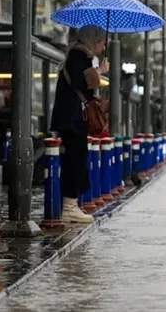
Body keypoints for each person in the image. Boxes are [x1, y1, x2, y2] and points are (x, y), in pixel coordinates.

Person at [50, 25, 109, 223]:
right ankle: (69, 207)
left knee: (77, 158)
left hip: (73, 118)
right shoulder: (78, 55)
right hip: (72, 118)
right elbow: (79, 82)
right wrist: (99, 70)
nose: (103, 46)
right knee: (75, 160)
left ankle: (72, 204)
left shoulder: (80, 56)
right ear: (93, 40)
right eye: (102, 42)